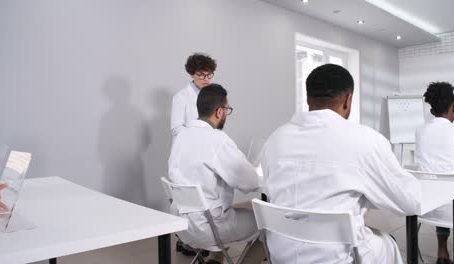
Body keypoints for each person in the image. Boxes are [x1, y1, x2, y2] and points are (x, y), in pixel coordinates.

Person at [260, 64, 421, 263]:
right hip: (338, 257)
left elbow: (271, 190)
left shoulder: (275, 139)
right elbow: (409, 202)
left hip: (280, 252)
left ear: (308, 98)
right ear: (348, 99)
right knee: (387, 242)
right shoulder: (366, 140)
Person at [168, 84, 265, 264]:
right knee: (266, 224)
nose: (226, 114)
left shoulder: (181, 136)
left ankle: (215, 260)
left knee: (219, 207)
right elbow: (249, 182)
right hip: (210, 226)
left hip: (181, 224)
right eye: (227, 109)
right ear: (219, 111)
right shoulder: (217, 139)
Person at [415, 82, 454, 264]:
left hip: (427, 207)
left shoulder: (419, 131)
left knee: (441, 189)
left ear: (431, 111)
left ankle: (442, 252)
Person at [170, 52, 217, 137]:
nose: (206, 79)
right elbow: (175, 129)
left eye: (209, 75)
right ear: (191, 74)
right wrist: (199, 133)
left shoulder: (213, 95)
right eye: (202, 75)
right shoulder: (181, 97)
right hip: (188, 147)